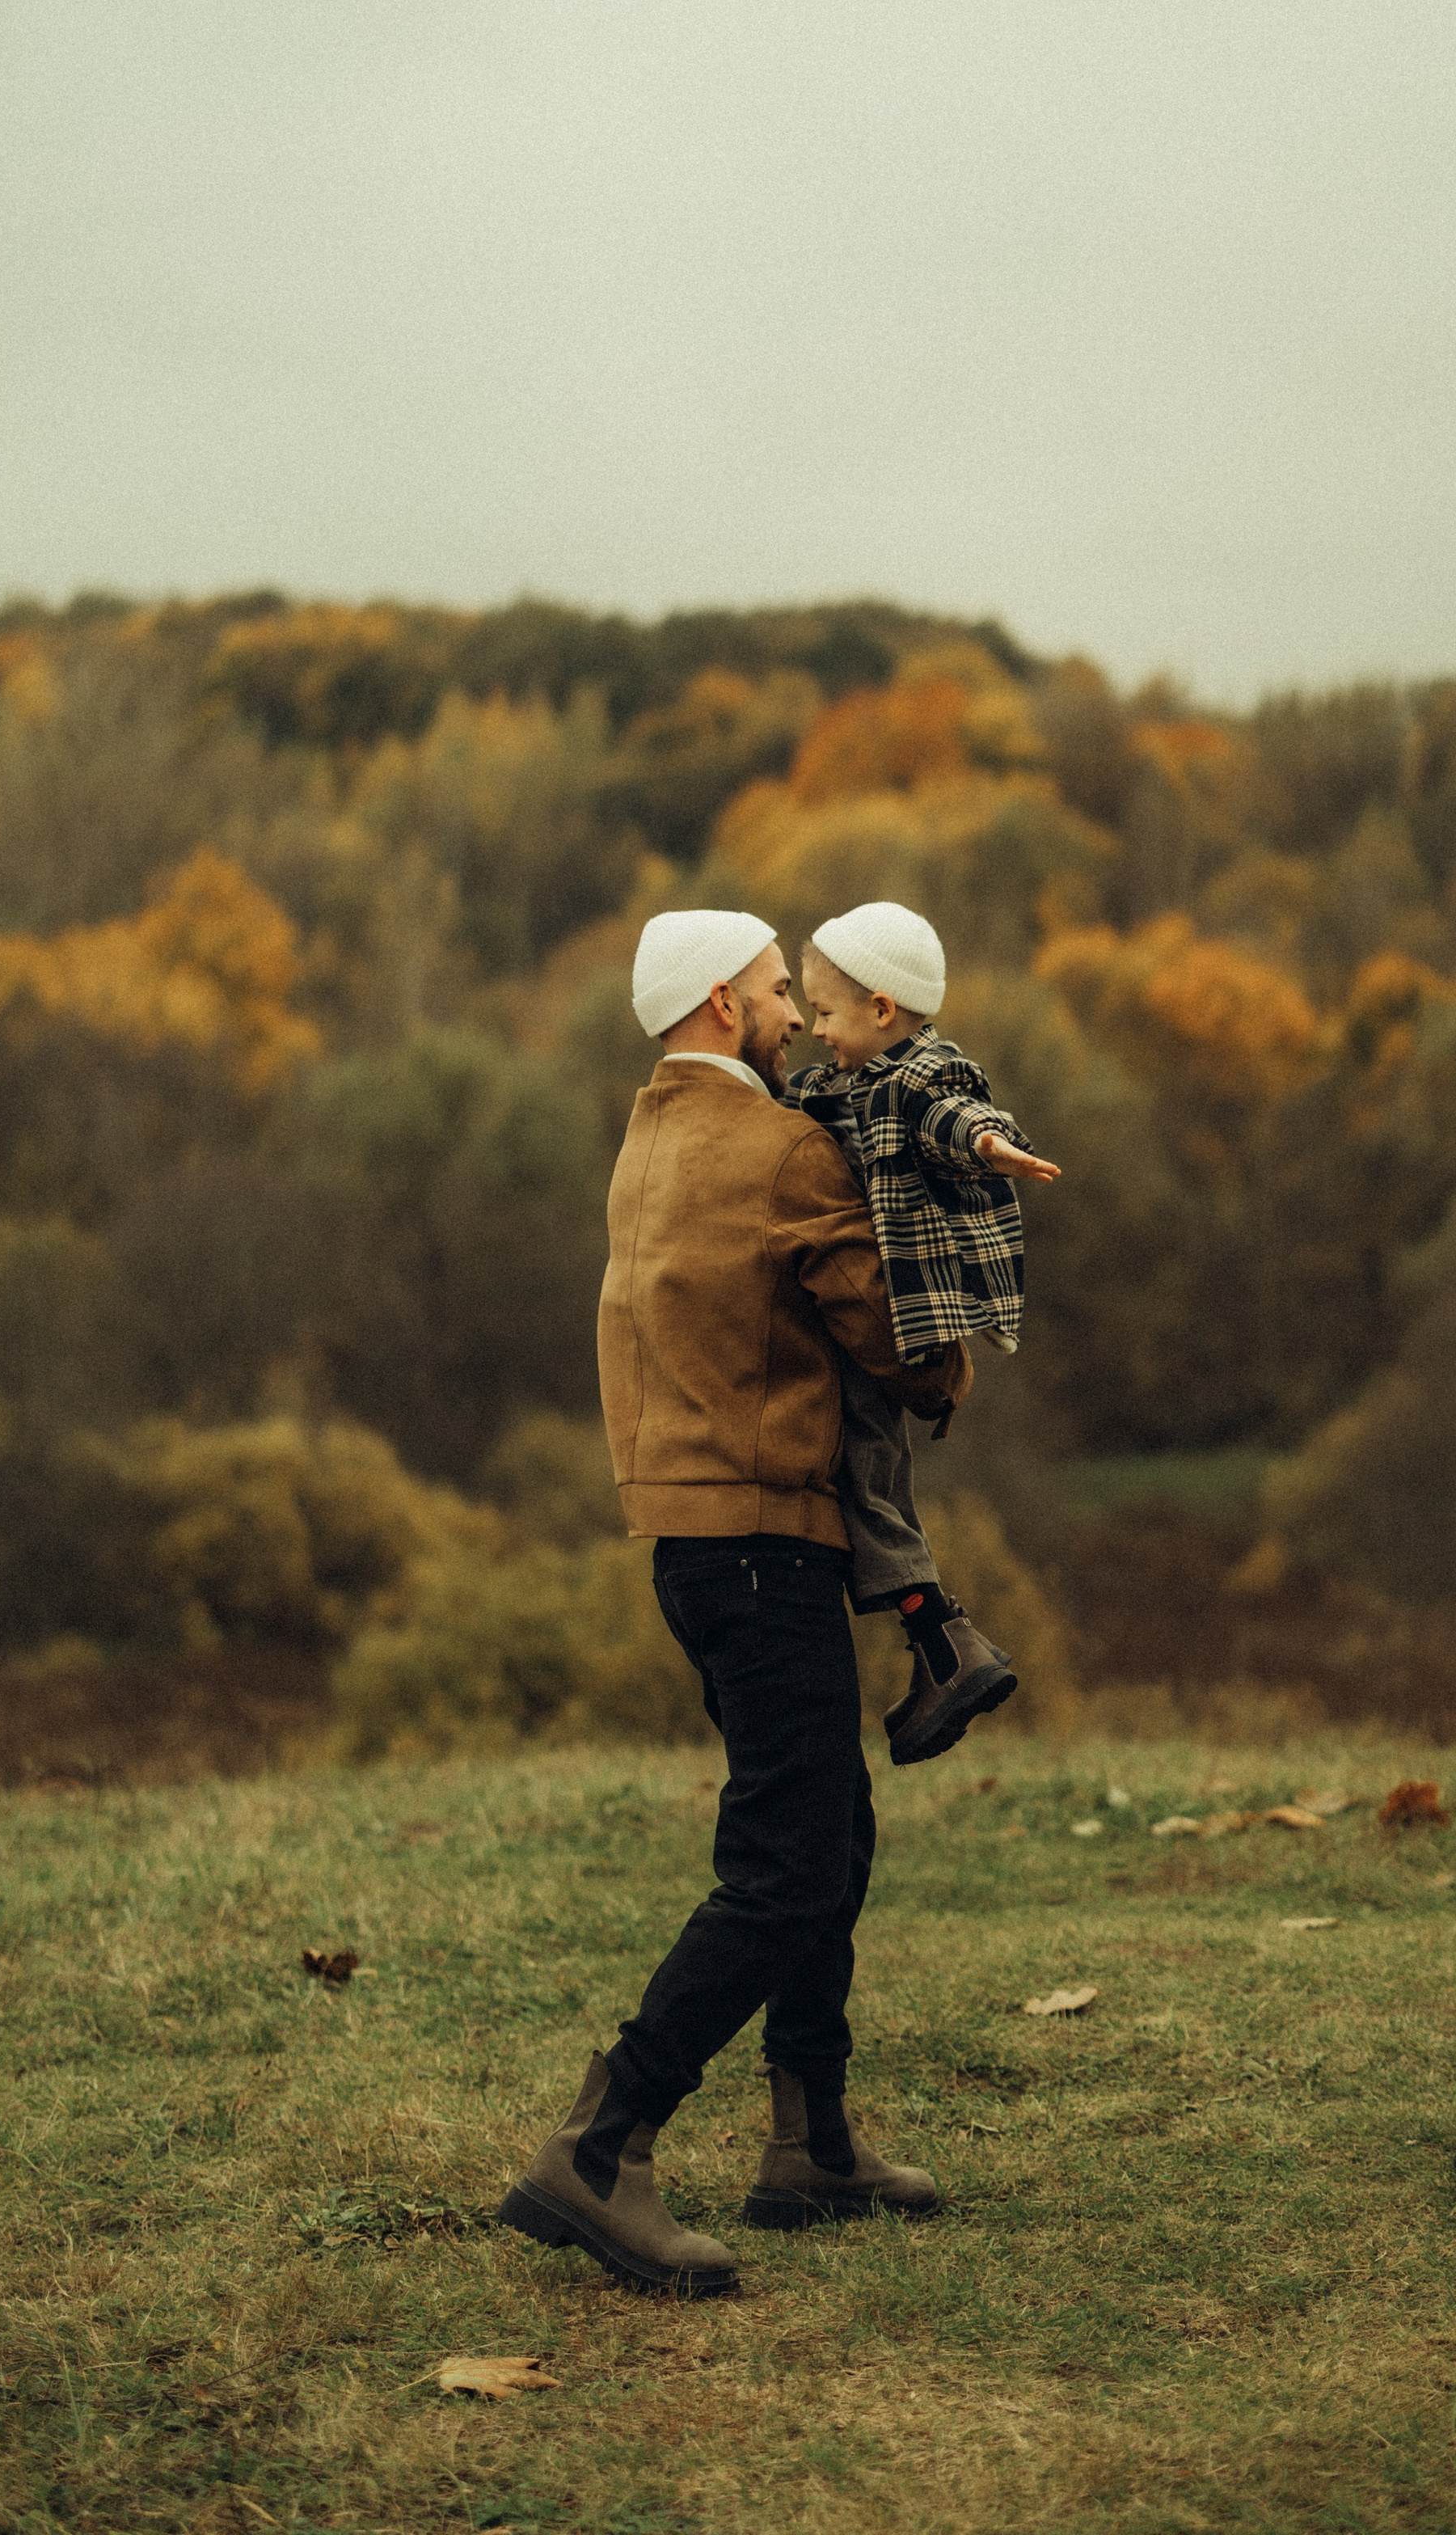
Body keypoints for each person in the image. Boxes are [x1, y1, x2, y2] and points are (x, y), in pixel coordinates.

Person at [498, 908, 969, 2296]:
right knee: (785, 1865)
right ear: (718, 1004)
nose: (793, 1014)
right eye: (775, 993)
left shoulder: (648, 1143)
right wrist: (954, 1348)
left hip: (693, 1549)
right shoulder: (776, 1147)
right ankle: (601, 2143)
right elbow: (886, 1331)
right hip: (766, 1543)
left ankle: (811, 2140)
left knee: (829, 1822)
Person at [787, 902, 1060, 1765]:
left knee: (865, 1475)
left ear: (881, 1010)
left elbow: (954, 1116)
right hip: (868, 1312)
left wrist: (989, 1144)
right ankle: (939, 1644)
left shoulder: (920, 1077)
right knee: (862, 1473)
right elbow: (789, 1105)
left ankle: (947, 1646)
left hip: (902, 1316)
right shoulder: (842, 1082)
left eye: (825, 1013)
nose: (814, 1029)